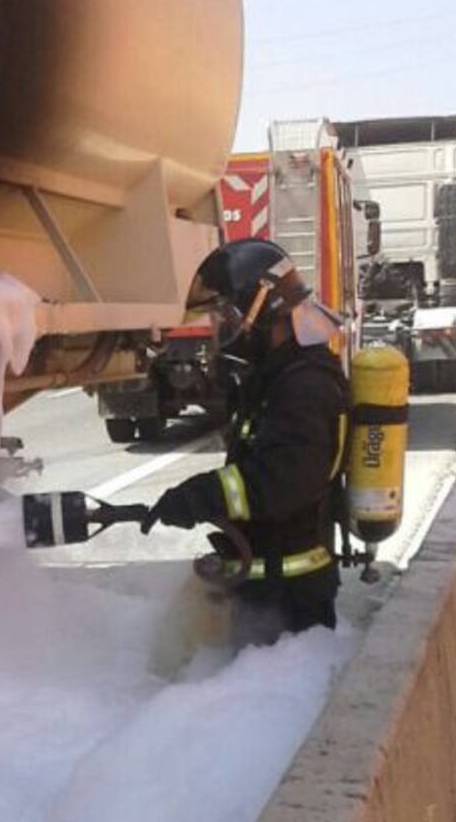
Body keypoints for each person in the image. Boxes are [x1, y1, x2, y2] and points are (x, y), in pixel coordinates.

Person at [145, 239, 350, 648]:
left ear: (263, 309)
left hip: (291, 607)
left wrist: (200, 496)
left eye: (228, 315)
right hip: (267, 592)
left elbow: (282, 483)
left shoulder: (305, 386)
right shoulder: (280, 376)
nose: (223, 327)